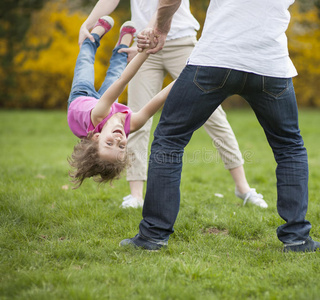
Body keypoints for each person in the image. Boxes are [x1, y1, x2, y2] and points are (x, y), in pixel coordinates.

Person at [119, 0, 320, 252]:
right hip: (270, 65)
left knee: (169, 139)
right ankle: (298, 239)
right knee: (289, 147)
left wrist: (160, 28)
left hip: (215, 59)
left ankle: (152, 236)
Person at [79, 0, 267, 209]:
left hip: (180, 42)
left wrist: (151, 30)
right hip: (145, 46)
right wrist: (87, 24)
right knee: (132, 123)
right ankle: (136, 196)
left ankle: (243, 188)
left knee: (214, 116)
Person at [68, 16, 173, 188]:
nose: (118, 139)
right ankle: (122, 46)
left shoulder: (98, 115)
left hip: (81, 97)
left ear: (96, 137)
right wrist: (185, 75)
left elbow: (122, 82)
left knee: (86, 62)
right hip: (109, 106)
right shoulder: (131, 125)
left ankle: (93, 37)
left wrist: (145, 52)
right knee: (116, 71)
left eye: (109, 143)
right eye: (122, 146)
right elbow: (159, 99)